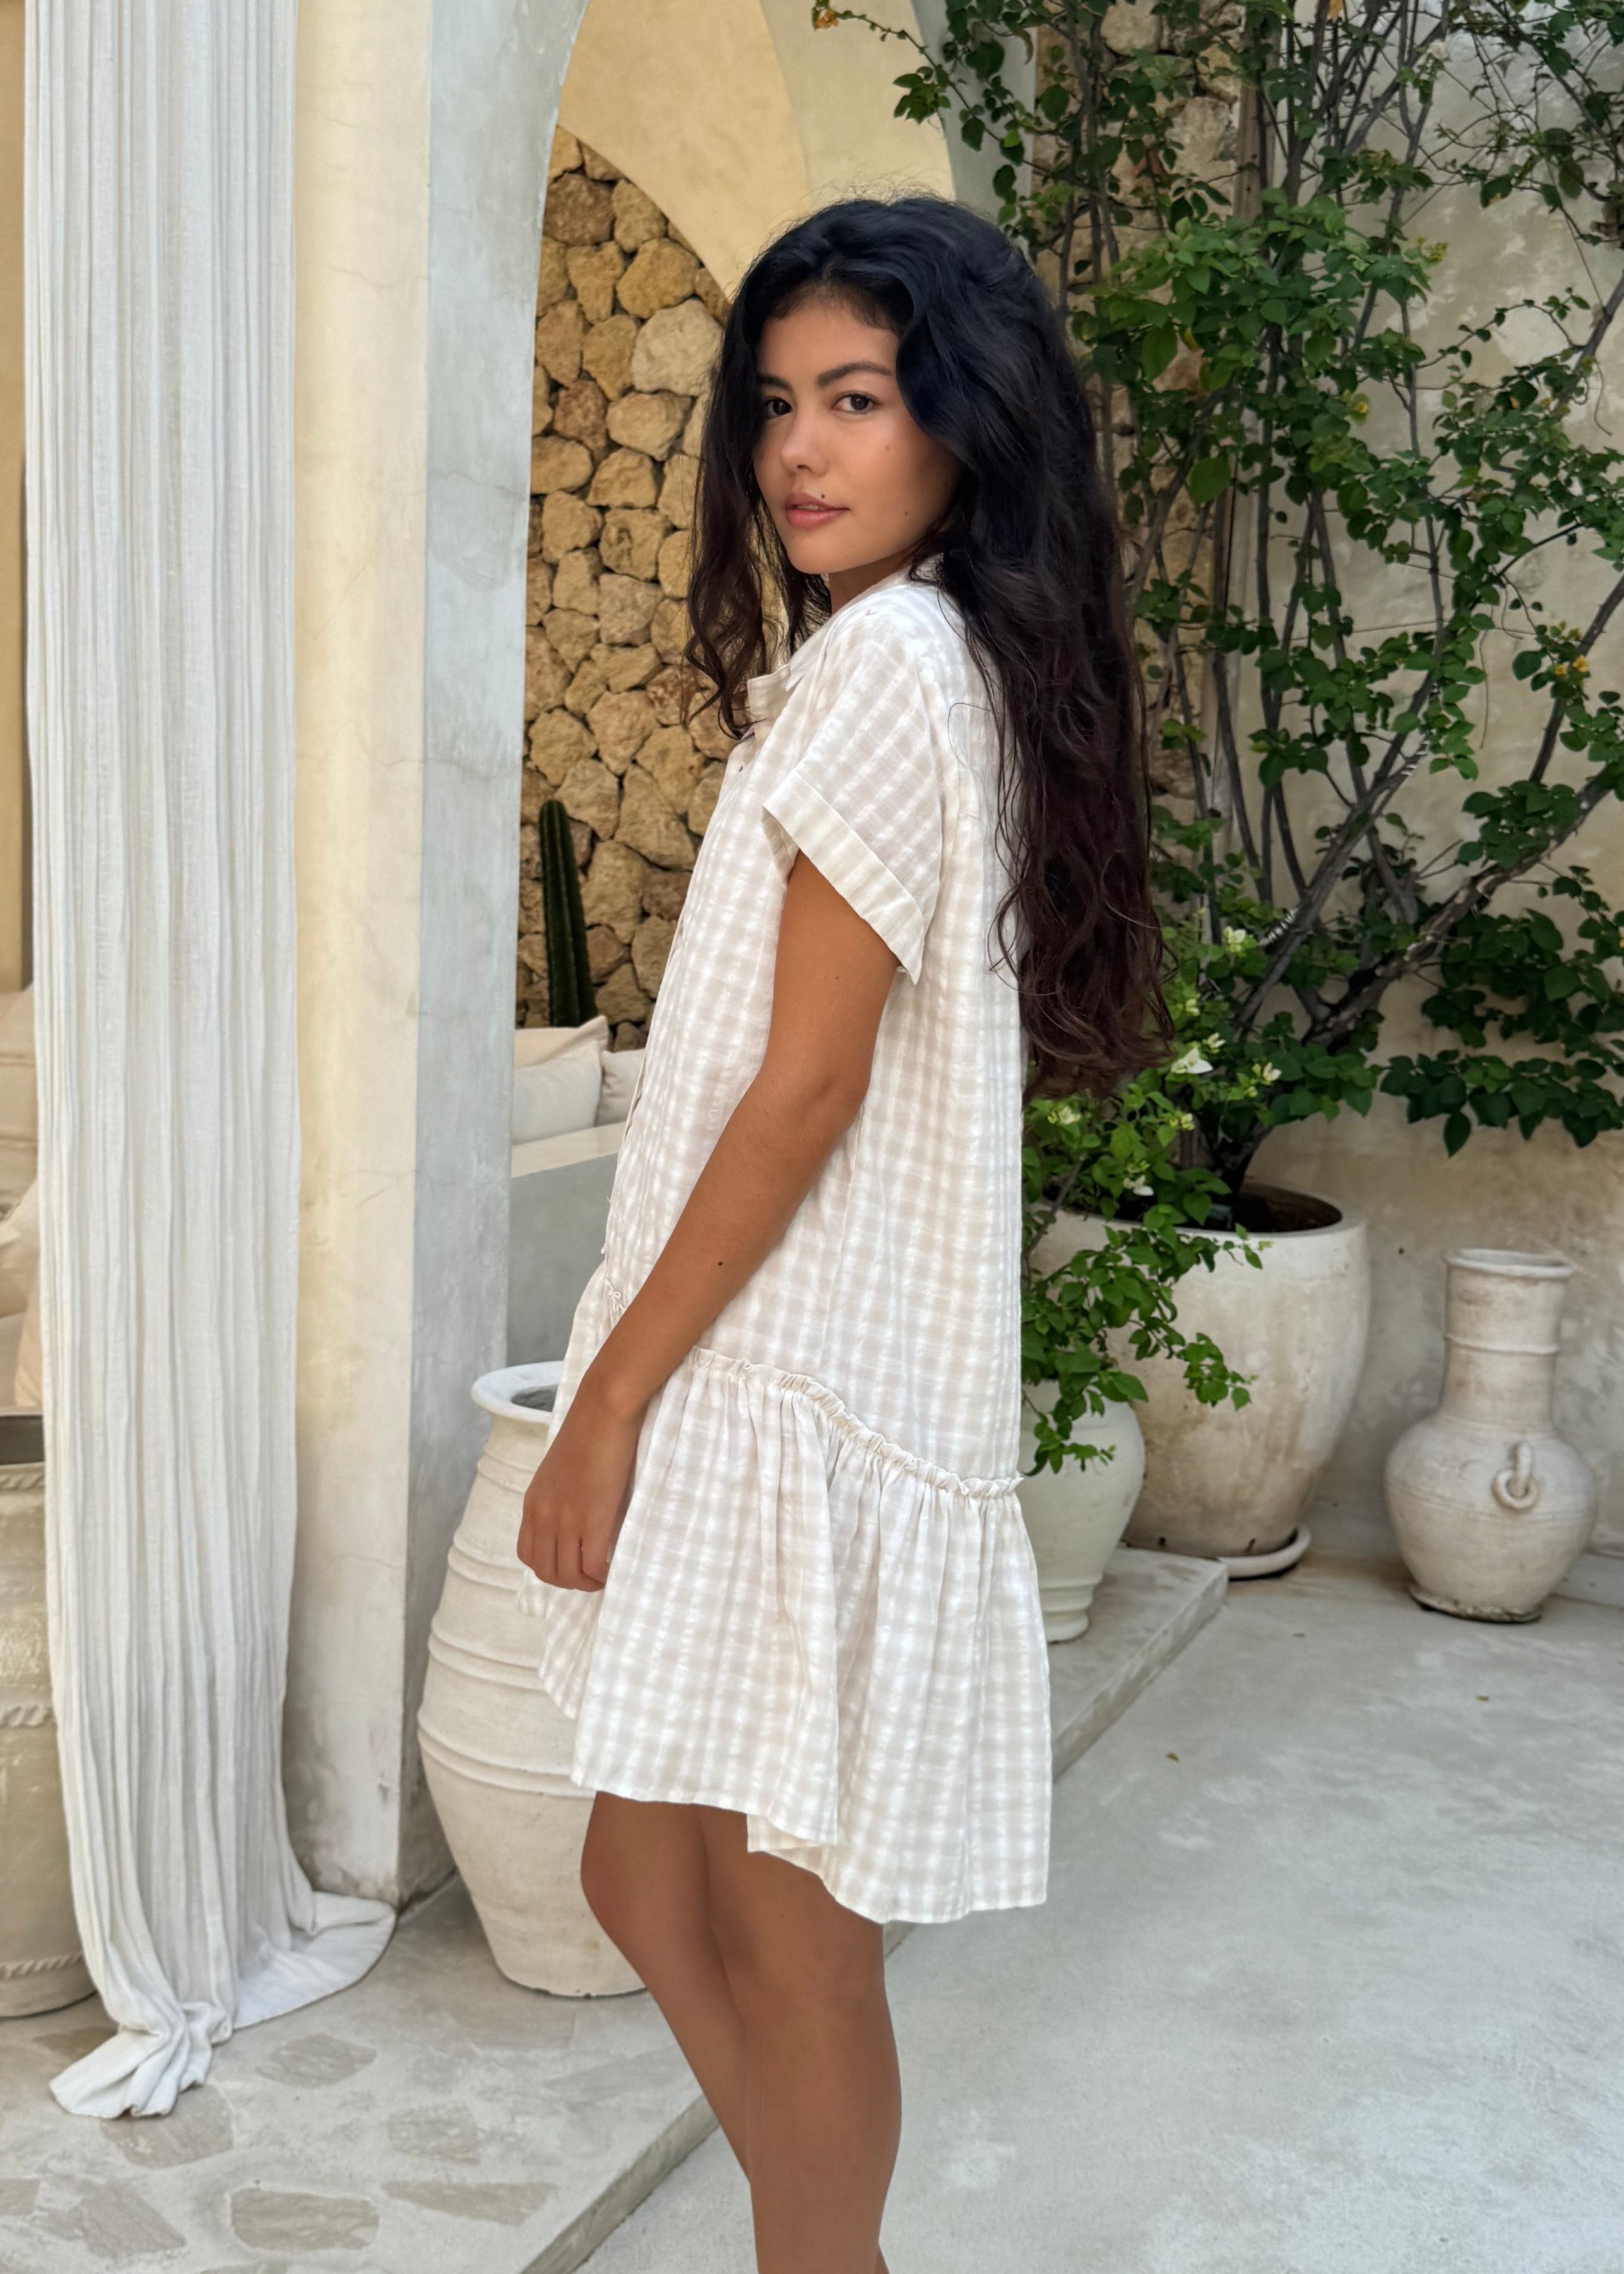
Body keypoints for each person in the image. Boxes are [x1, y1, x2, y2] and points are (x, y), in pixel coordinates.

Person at [515, 193, 1166, 2274]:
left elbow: (804, 1092)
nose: (799, 448)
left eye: (859, 400)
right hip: (777, 1377)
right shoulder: (927, 654)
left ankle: (823, 2256)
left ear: (963, 423)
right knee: (643, 1872)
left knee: (788, 1932)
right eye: (779, 401)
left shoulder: (890, 666)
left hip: (792, 1381)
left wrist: (606, 1400)